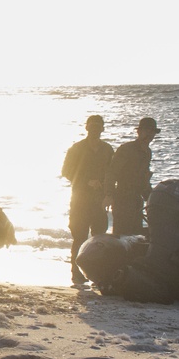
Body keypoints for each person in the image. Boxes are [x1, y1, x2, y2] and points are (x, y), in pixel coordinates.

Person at [61, 115, 114, 285]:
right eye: (92, 128)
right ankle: (76, 273)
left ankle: (97, 274)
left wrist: (109, 193)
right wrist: (87, 181)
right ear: (87, 129)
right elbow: (66, 171)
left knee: (99, 238)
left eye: (98, 128)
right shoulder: (76, 149)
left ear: (102, 129)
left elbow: (112, 173)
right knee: (79, 237)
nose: (95, 131)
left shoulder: (107, 149)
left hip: (99, 201)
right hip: (80, 200)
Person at [105, 117, 160, 236]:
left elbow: (144, 177)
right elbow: (111, 173)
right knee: (122, 234)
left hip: (137, 199)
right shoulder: (126, 149)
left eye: (152, 132)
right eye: (147, 131)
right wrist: (109, 194)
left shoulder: (147, 152)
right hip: (122, 198)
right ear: (139, 132)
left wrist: (151, 197)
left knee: (135, 234)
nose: (150, 135)